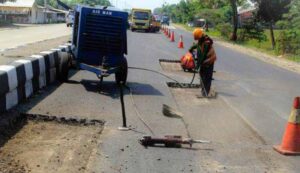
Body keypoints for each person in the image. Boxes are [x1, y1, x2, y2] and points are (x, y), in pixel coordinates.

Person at [189, 28, 216, 97]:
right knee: (202, 75)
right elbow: (198, 45)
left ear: (200, 36)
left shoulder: (206, 42)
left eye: (197, 37)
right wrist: (192, 48)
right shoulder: (202, 39)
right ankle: (203, 91)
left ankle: (205, 93)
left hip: (209, 61)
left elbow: (202, 56)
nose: (197, 39)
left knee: (207, 78)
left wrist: (198, 66)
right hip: (204, 61)